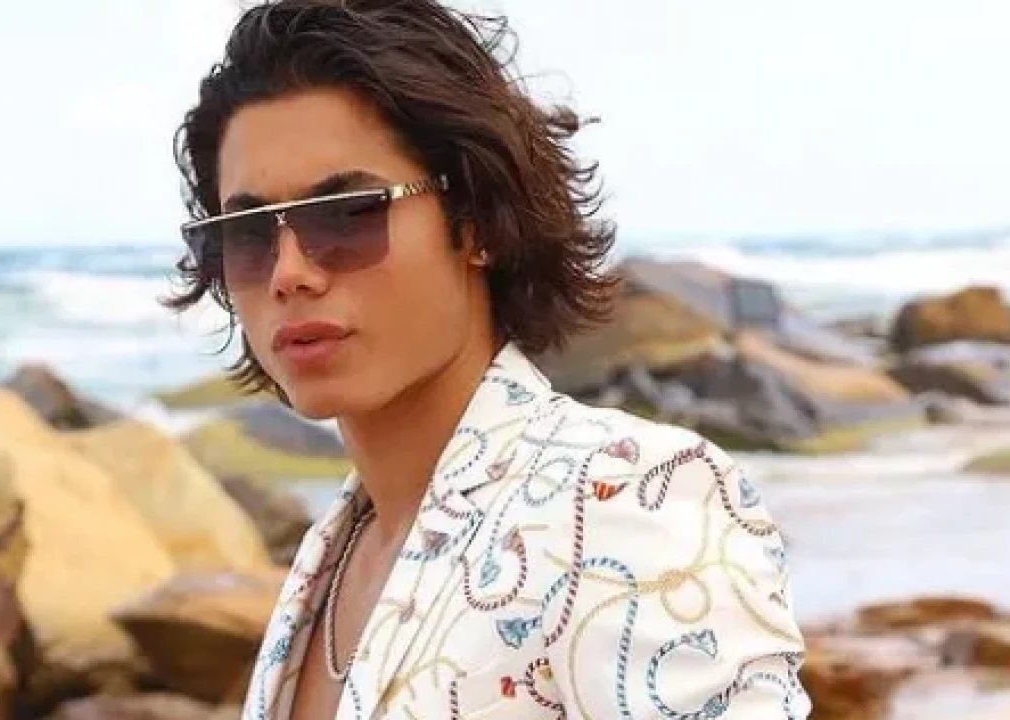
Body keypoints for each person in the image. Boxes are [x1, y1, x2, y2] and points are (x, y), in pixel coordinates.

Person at [166, 1, 810, 718]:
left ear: (476, 225)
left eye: (346, 215)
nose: (290, 273)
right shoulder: (330, 559)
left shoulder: (626, 499)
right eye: (249, 234)